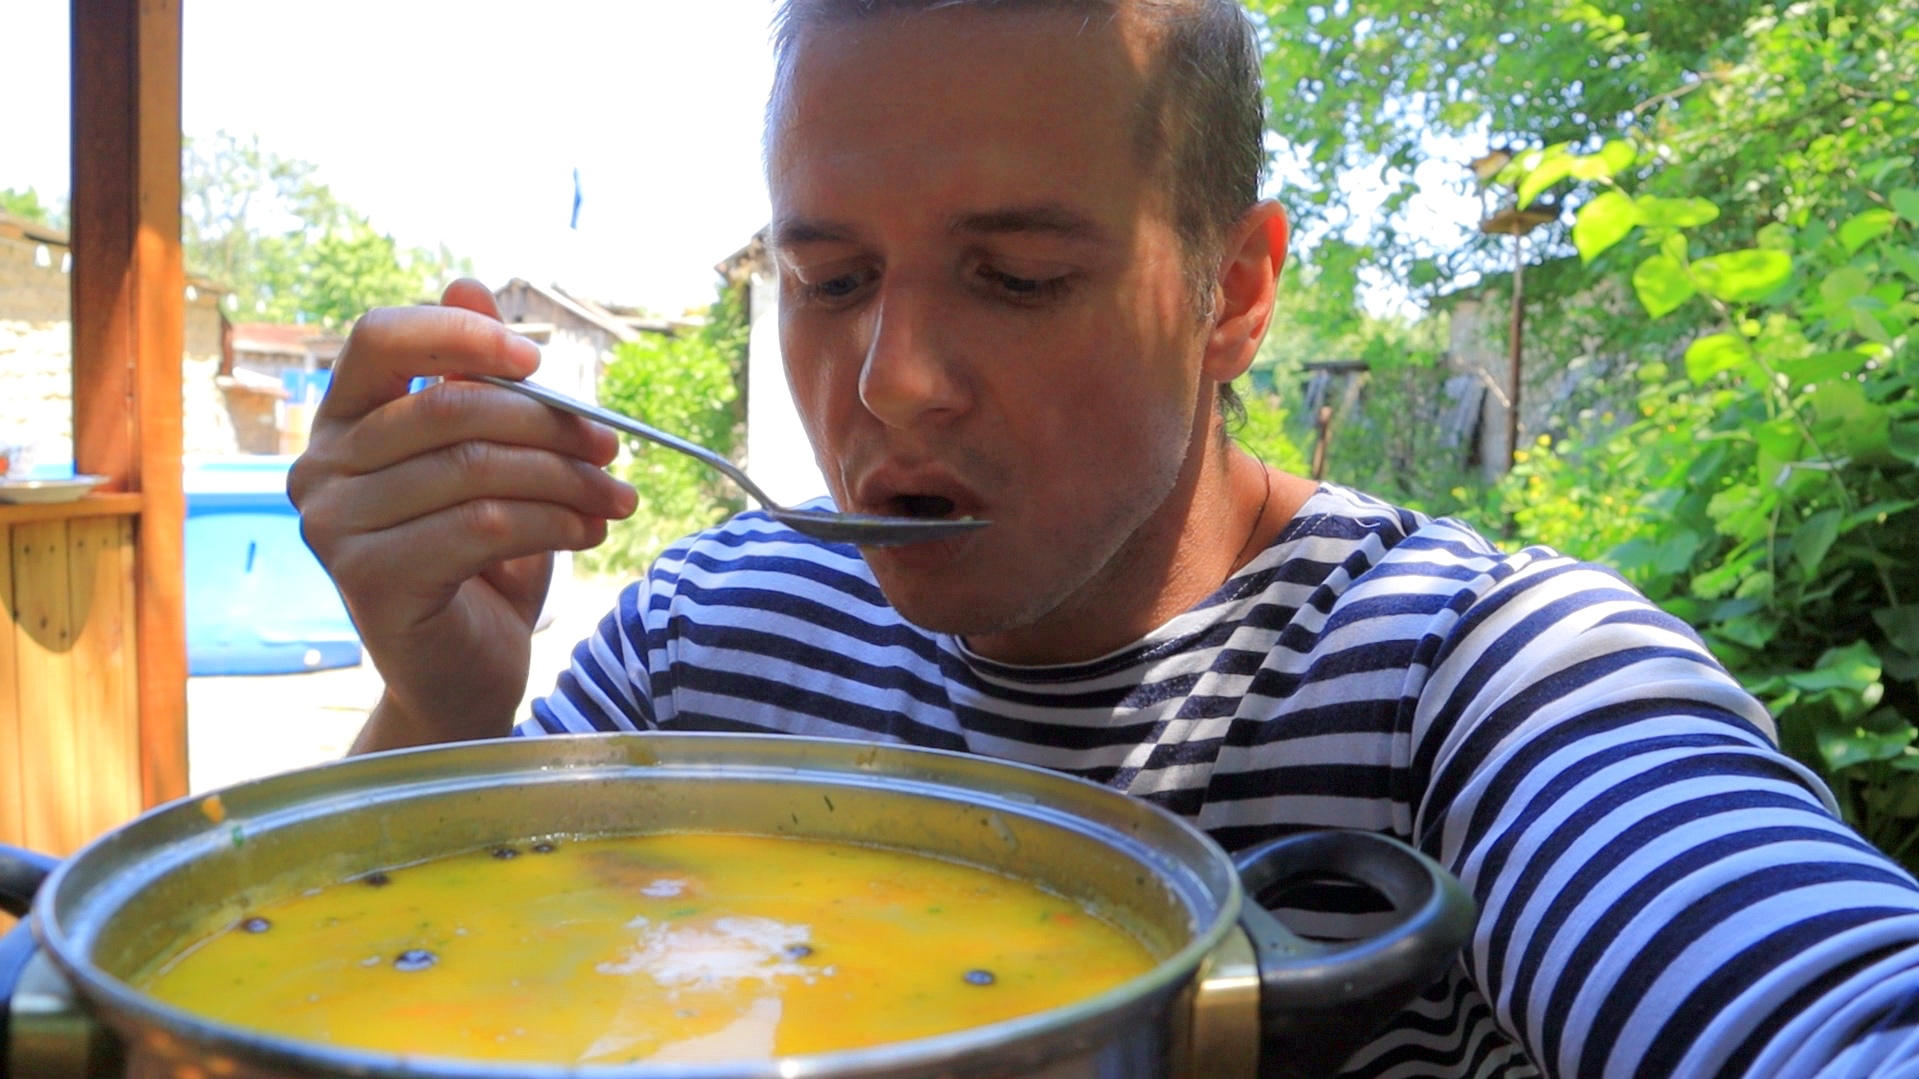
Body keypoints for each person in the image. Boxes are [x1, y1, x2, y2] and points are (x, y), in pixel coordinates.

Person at [287, 0, 1919, 1074]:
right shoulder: (708, 638)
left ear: (1235, 293)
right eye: (831, 278)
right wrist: (435, 712)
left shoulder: (1476, 684)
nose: (892, 381)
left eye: (1018, 277)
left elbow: (1816, 1005)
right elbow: (386, 989)